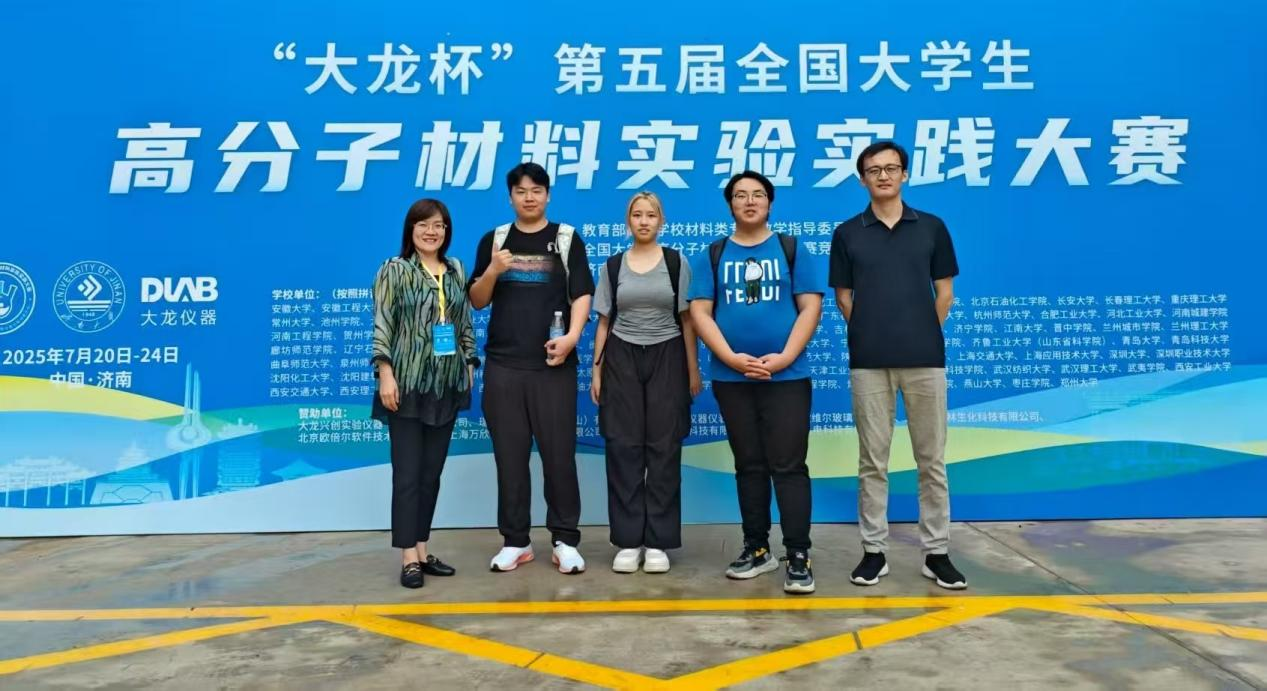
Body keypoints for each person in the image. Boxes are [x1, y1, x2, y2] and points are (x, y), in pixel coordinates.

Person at [828, 141, 967, 590]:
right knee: (873, 461)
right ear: (862, 179)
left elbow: (944, 293)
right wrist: (872, 331)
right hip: (869, 363)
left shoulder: (932, 227)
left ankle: (937, 552)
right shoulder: (848, 233)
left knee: (932, 461)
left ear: (905, 174)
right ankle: (874, 551)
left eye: (891, 168)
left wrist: (920, 331)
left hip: (925, 361)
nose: (883, 176)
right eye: (874, 170)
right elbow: (844, 298)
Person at [687, 171, 823, 595]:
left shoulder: (792, 249)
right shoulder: (712, 254)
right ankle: (757, 549)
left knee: (789, 466)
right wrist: (730, 358)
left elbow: (810, 308)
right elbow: (700, 313)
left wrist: (784, 358)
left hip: (788, 377)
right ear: (730, 204)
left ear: (770, 202)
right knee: (748, 465)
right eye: (741, 195)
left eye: (758, 194)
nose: (749, 201)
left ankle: (798, 554)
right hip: (733, 378)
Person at [467, 162, 595, 575]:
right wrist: (492, 270)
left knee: (559, 456)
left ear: (548, 195)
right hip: (504, 366)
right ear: (510, 197)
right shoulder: (495, 240)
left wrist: (572, 337)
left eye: (536, 190)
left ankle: (565, 540)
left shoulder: (566, 238)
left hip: (552, 366)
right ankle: (515, 541)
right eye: (521, 191)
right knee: (510, 458)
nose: (529, 197)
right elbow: (477, 300)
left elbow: (582, 293)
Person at [591, 191, 702, 574]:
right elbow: (604, 321)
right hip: (621, 357)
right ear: (629, 221)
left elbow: (687, 320)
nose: (643, 221)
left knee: (664, 449)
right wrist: (597, 370)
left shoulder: (675, 262)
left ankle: (657, 542)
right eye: (637, 215)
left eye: (650, 215)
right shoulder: (612, 266)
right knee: (623, 448)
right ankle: (627, 541)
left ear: (661, 221)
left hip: (667, 355)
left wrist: (692, 369)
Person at [372, 198, 477, 589]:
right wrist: (385, 373)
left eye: (439, 225)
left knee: (431, 475)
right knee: (408, 475)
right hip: (406, 385)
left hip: (445, 386)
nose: (432, 232)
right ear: (411, 229)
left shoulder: (456, 270)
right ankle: (407, 557)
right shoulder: (395, 270)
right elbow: (383, 323)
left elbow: (464, 323)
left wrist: (469, 364)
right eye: (424, 225)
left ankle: (421, 548)